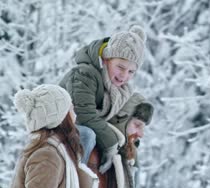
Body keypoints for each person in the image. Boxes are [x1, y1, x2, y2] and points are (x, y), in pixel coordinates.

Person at [60, 25, 147, 171]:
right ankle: (72, 184)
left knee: (131, 157)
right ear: (106, 58)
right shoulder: (84, 74)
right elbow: (83, 115)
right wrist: (111, 143)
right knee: (87, 136)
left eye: (131, 71)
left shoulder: (119, 90)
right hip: (61, 125)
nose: (124, 76)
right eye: (120, 67)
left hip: (84, 126)